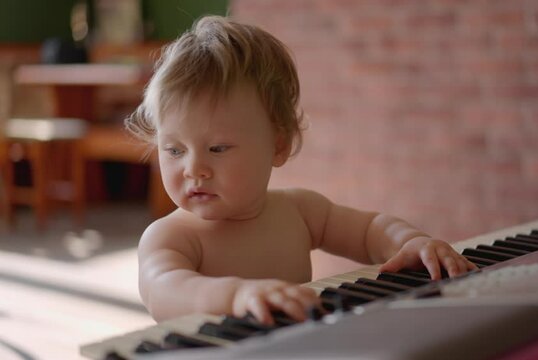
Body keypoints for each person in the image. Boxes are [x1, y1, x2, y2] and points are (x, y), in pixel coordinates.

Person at [126, 15, 477, 326]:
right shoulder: (172, 237)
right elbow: (164, 290)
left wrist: (411, 243)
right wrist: (235, 296)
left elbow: (369, 230)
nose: (194, 169)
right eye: (174, 150)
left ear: (278, 145)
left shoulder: (300, 211)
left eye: (217, 148)